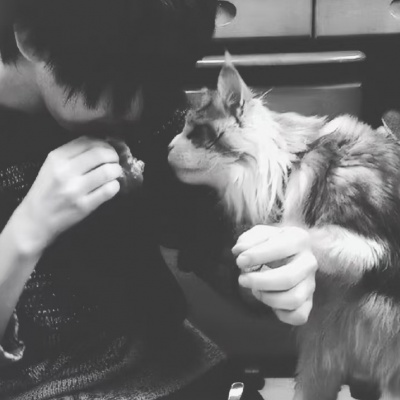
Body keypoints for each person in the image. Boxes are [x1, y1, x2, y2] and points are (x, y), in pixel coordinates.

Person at [0, 1, 317, 399]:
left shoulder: (146, 89)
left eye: (153, 84)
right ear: (33, 39)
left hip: (171, 367)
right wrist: (26, 233)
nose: (135, 110)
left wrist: (272, 273)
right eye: (120, 86)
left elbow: (208, 233)